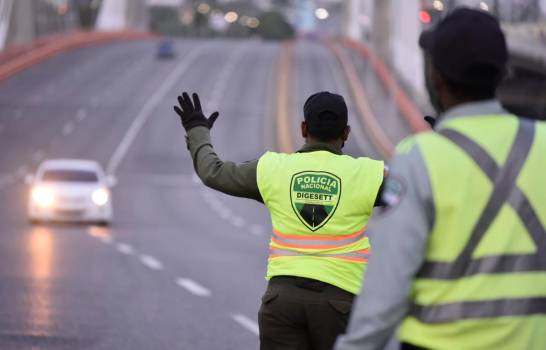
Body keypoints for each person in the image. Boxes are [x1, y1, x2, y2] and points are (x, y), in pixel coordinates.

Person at [335, 7, 546, 350]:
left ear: (435, 77)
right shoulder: (542, 144)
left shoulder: (418, 159)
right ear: (505, 72)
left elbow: (388, 285)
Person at [173, 91, 385, 350]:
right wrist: (446, 142)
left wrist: (197, 130)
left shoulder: (272, 169)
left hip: (281, 304)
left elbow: (212, 172)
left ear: (303, 128)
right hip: (340, 305)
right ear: (347, 132)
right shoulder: (370, 175)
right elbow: (425, 188)